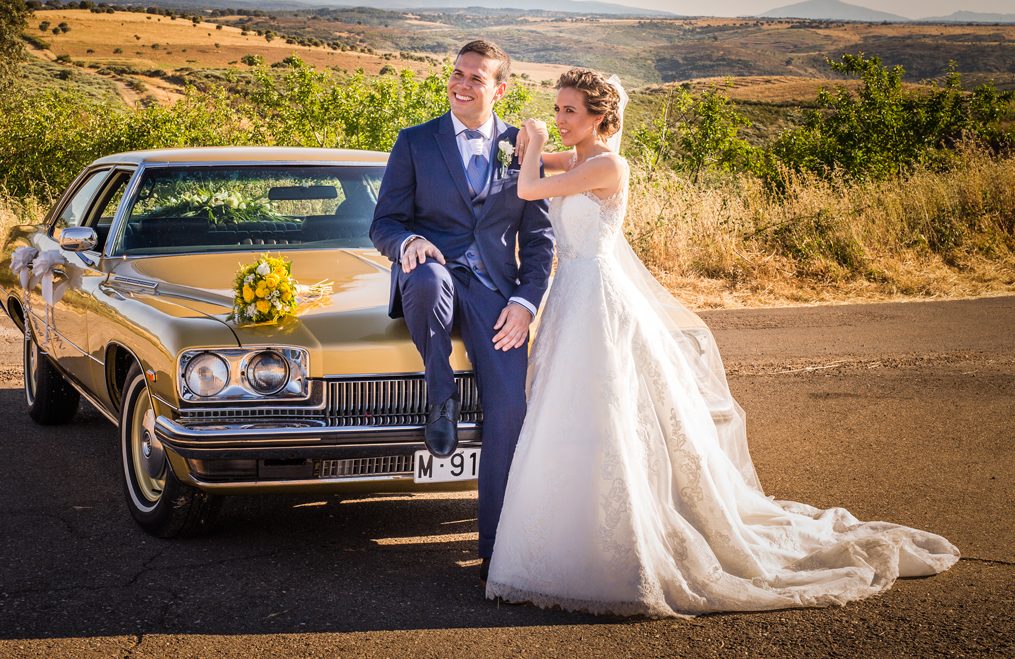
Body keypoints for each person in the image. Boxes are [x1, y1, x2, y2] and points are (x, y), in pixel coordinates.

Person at [484, 68, 959, 617]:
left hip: (598, 297)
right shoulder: (578, 160)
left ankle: (621, 542)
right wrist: (516, 139)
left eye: (570, 110)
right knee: (568, 413)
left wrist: (536, 139)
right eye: (558, 108)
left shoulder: (609, 165)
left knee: (608, 409)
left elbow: (527, 186)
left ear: (599, 117)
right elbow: (525, 167)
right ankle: (567, 530)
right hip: (571, 296)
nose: (561, 118)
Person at [370, 40, 554, 580]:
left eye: (476, 78)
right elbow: (384, 222)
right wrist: (407, 243)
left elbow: (539, 242)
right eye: (457, 74)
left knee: (509, 410)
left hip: (494, 293)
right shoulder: (415, 142)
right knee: (424, 277)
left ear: (499, 89)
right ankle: (441, 393)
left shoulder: (521, 148)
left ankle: (497, 549)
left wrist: (524, 302)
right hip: (432, 276)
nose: (461, 84)